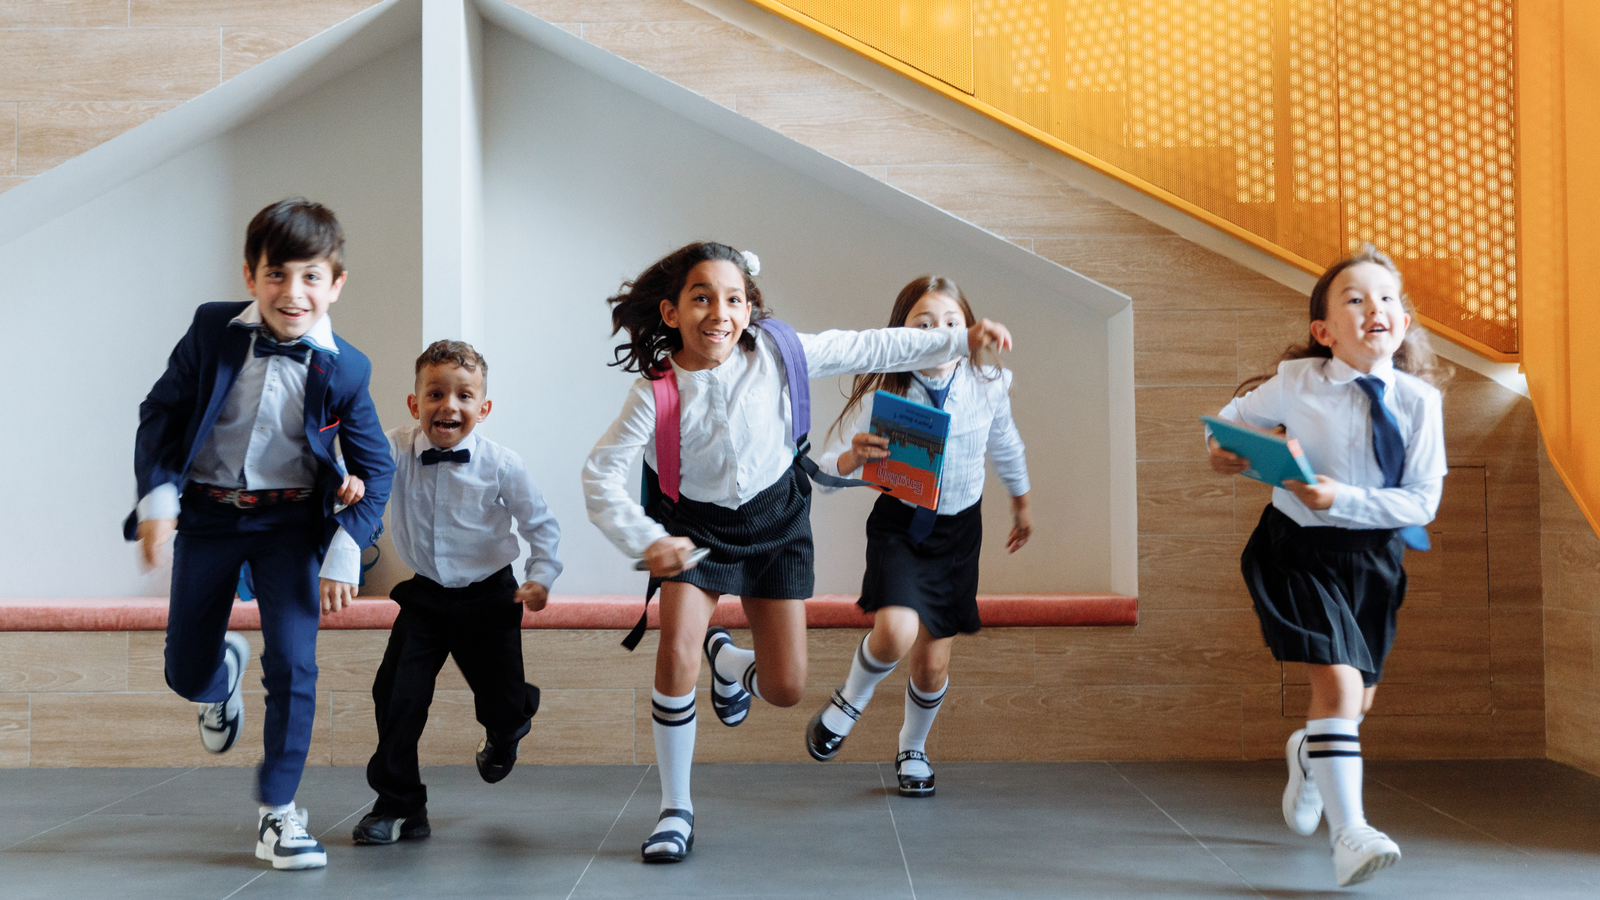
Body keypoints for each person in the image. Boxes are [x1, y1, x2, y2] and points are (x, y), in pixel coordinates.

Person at [582, 242, 1012, 863]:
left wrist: (959, 340)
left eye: (733, 299)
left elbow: (873, 345)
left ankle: (728, 663)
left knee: (785, 688)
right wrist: (645, 540)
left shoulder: (782, 354)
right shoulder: (656, 393)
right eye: (701, 297)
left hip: (777, 522)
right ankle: (675, 809)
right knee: (675, 654)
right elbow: (601, 474)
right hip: (693, 532)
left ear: (750, 308)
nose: (719, 312)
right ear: (672, 312)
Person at [127, 198, 393, 870]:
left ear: (336, 284)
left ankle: (280, 813)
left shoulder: (349, 368)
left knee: (296, 665)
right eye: (277, 275)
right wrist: (158, 499)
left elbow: (377, 467)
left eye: (310, 277)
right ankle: (218, 679)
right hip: (209, 517)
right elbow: (160, 413)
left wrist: (344, 551)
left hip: (290, 525)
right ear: (250, 276)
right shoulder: (213, 330)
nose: (293, 293)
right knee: (185, 670)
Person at [1207, 244, 1449, 888]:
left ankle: (1311, 757)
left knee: (1355, 701)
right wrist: (1222, 451)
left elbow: (1422, 501)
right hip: (1297, 549)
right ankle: (1351, 836)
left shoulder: (1422, 403)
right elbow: (1228, 426)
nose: (1376, 308)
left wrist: (1341, 497)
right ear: (1324, 331)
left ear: (1403, 322)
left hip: (1374, 558)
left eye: (1389, 298)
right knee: (1339, 690)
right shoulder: (1297, 383)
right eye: (1356, 298)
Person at [805, 275, 1031, 798]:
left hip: (958, 533)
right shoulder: (890, 390)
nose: (938, 335)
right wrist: (853, 458)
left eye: (951, 324)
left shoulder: (989, 381)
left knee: (932, 665)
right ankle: (848, 702)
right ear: (901, 333)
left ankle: (913, 746)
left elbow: (1006, 443)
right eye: (923, 325)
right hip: (901, 528)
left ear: (970, 330)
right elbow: (829, 472)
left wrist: (1021, 504)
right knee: (895, 634)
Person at [352, 340, 562, 845]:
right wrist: (347, 480)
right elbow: (354, 462)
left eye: (465, 396)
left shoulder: (503, 464)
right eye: (436, 393)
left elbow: (541, 525)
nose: (450, 405)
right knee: (396, 695)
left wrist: (542, 576)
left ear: (483, 409)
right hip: (426, 596)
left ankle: (510, 722)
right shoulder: (394, 448)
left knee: (501, 699)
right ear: (414, 403)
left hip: (492, 597)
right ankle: (400, 804)